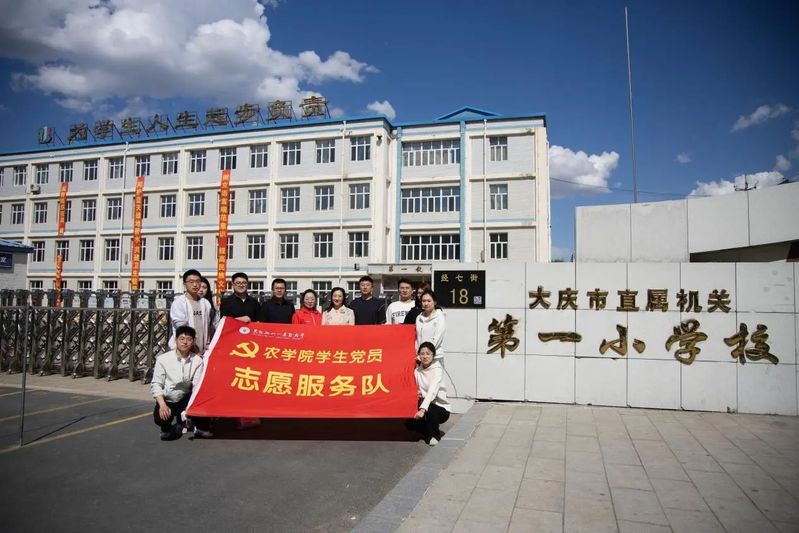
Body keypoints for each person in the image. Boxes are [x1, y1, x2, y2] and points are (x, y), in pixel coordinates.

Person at [151, 325, 212, 440]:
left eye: (189, 339)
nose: (185, 342)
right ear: (176, 340)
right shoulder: (163, 359)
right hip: (169, 398)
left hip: (186, 397)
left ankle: (201, 428)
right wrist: (162, 405)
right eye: (182, 339)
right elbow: (156, 384)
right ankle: (166, 429)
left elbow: (196, 385)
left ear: (193, 342)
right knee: (161, 417)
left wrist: (192, 406)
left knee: (204, 402)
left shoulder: (197, 361)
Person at [410, 341, 450, 446]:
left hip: (440, 408)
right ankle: (427, 429)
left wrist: (423, 410)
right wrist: (417, 392)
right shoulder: (417, 371)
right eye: (422, 354)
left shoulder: (437, 370)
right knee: (409, 423)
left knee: (431, 409)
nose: (425, 356)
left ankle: (434, 436)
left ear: (433, 355)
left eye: (428, 354)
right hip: (424, 405)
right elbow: (416, 388)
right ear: (419, 355)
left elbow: (432, 391)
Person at [168, 269, 212, 354]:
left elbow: (208, 327)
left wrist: (207, 345)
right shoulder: (179, 303)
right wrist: (194, 350)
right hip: (185, 350)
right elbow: (181, 328)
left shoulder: (205, 303)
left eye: (197, 281)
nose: (195, 284)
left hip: (202, 350)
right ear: (184, 284)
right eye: (191, 282)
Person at [415, 289, 445, 360]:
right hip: (421, 357)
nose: (426, 303)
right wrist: (419, 354)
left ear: (435, 302)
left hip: (435, 356)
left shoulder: (440, 317)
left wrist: (427, 354)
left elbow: (437, 339)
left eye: (429, 301)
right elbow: (418, 338)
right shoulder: (419, 318)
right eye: (423, 301)